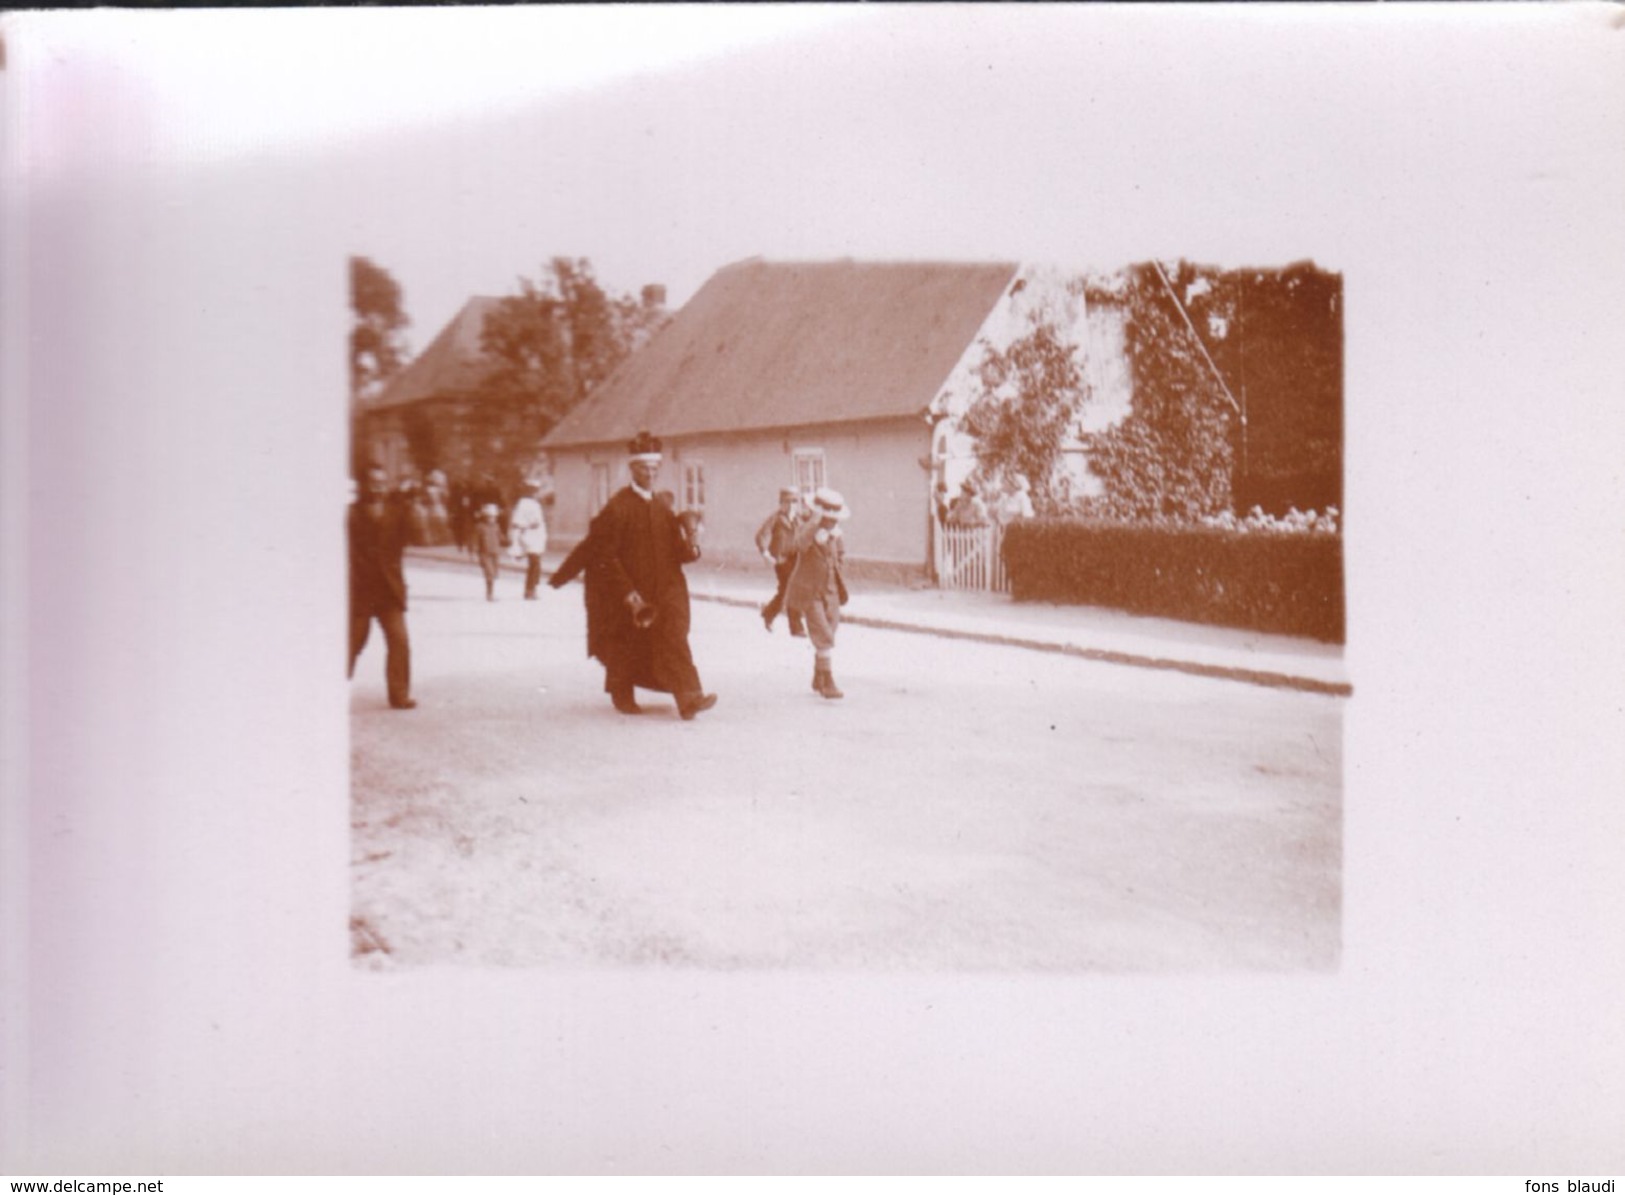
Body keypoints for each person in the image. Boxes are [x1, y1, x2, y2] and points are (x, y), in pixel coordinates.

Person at [548, 430, 718, 720]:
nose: (650, 474)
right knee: (626, 643)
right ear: (632, 469)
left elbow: (678, 552)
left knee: (674, 636)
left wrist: (693, 547)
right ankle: (621, 691)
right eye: (644, 469)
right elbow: (603, 554)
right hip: (631, 590)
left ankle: (689, 698)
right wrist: (628, 592)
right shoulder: (618, 507)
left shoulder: (662, 507)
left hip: (666, 587)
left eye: (654, 469)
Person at [348, 465, 416, 710]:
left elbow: (411, 539)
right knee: (353, 643)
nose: (378, 487)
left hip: (389, 590)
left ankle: (399, 695)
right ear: (363, 485)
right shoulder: (350, 514)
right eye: (373, 482)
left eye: (383, 482)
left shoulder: (396, 512)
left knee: (400, 641)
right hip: (360, 590)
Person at [785, 487, 852, 700]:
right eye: (828, 518)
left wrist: (837, 566)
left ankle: (818, 677)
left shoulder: (836, 534)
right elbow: (798, 545)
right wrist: (814, 524)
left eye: (835, 518)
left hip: (830, 590)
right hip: (809, 590)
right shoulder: (807, 530)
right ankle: (828, 682)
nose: (832, 522)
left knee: (830, 628)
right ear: (819, 515)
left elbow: (841, 554)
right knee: (822, 633)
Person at [754, 486, 808, 634]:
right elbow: (761, 535)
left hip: (796, 559)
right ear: (781, 503)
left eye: (794, 502)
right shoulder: (776, 518)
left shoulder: (799, 519)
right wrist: (765, 552)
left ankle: (770, 615)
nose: (791, 506)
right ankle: (794, 626)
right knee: (788, 589)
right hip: (781, 560)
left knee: (789, 591)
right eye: (787, 502)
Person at [509, 480, 548, 600]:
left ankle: (531, 589)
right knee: (534, 564)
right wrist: (530, 525)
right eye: (534, 491)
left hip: (537, 537)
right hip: (529, 537)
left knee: (535, 565)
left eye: (537, 491)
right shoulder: (523, 503)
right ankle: (530, 590)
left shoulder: (535, 504)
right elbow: (517, 522)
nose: (537, 493)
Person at [474, 502, 504, 601]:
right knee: (489, 574)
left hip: (495, 553)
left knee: (494, 574)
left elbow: (501, 538)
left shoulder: (496, 526)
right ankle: (489, 594)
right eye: (489, 517)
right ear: (485, 517)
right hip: (485, 554)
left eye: (493, 517)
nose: (491, 519)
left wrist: (508, 541)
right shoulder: (480, 527)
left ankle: (491, 592)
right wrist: (476, 554)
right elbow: (476, 541)